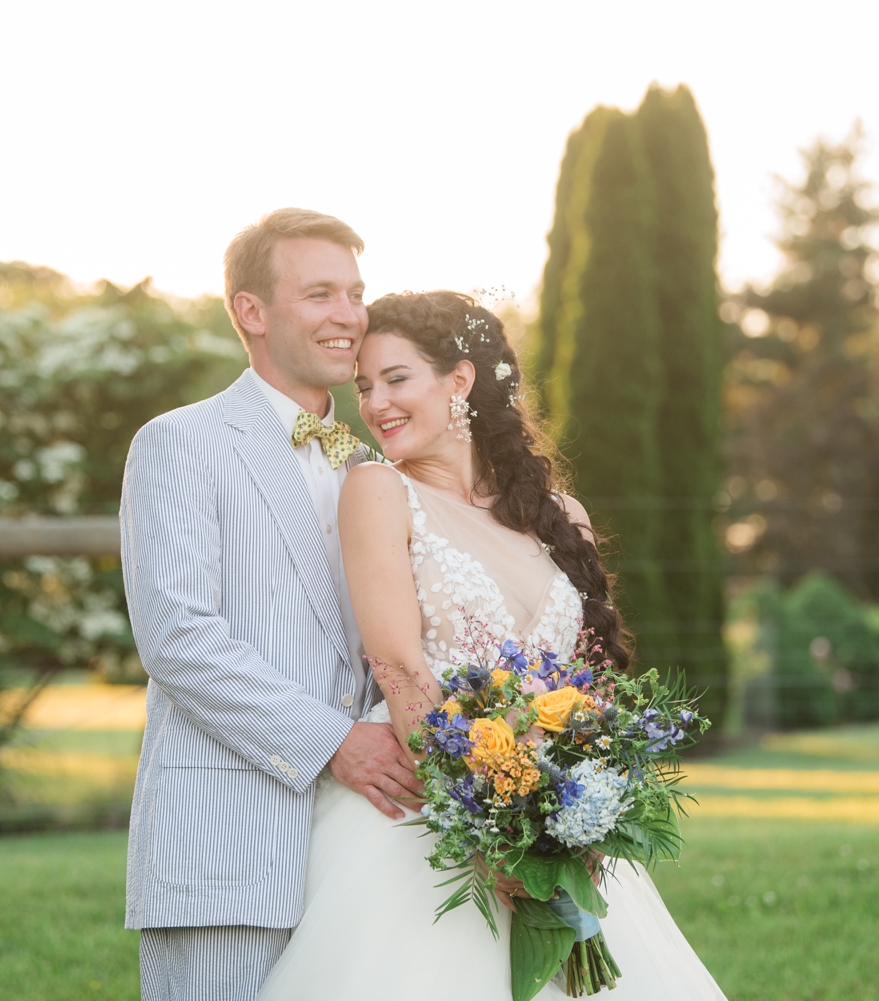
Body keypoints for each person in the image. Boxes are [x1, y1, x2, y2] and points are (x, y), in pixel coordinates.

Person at [256, 291, 727, 999]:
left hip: (553, 817)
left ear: (461, 379)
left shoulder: (562, 515)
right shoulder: (377, 489)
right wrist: (483, 825)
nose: (375, 402)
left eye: (396, 378)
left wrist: (580, 809)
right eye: (363, 386)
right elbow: (399, 664)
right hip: (426, 810)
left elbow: (585, 682)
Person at [119, 208, 421, 1001]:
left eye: (356, 292)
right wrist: (334, 742)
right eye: (321, 292)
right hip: (228, 839)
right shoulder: (180, 442)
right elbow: (177, 635)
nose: (351, 315)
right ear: (251, 312)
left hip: (365, 853)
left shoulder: (374, 466)